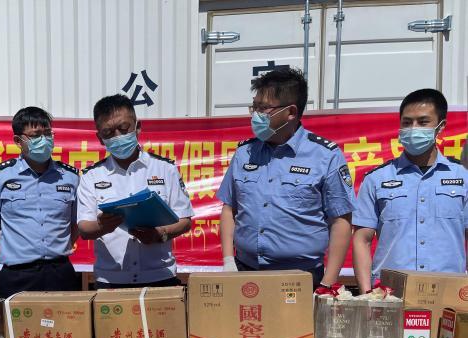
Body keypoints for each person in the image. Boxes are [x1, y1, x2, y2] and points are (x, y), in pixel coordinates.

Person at [217, 67, 355, 290]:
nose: (255, 115)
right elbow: (229, 208)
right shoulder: (245, 152)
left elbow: (341, 220)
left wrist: (327, 284)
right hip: (245, 271)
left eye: (263, 108)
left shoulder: (325, 155)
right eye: (254, 107)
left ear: (291, 112)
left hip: (301, 277)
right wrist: (228, 261)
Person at [353, 89, 468, 293]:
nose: (413, 129)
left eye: (423, 122)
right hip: (390, 293)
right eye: (407, 123)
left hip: (448, 292)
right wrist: (367, 293)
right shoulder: (376, 179)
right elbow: (362, 239)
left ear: (441, 126)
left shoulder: (463, 177)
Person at [76, 94, 193, 288]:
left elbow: (185, 220)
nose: (117, 136)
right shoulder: (91, 176)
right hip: (111, 281)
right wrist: (102, 226)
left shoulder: (165, 169)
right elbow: (84, 228)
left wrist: (160, 234)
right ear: (99, 138)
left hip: (159, 277)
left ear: (138, 127)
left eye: (123, 128)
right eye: (108, 132)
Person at [0, 106, 81, 298]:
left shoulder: (70, 176)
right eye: (35, 135)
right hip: (17, 275)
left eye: (47, 133)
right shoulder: (1, 175)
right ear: (18, 141)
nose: (44, 139)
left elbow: (76, 224)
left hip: (60, 272)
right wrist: (13, 254)